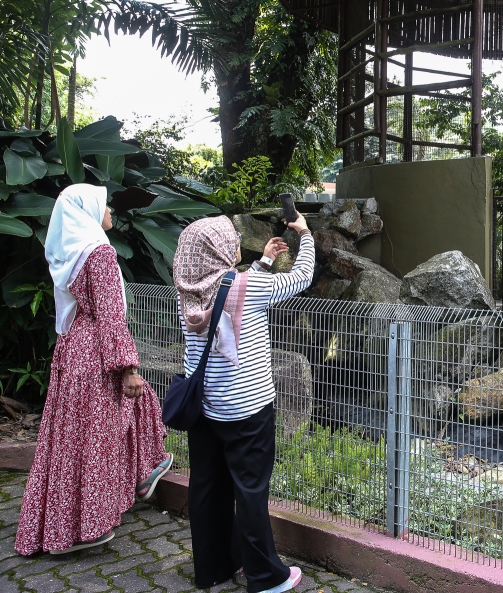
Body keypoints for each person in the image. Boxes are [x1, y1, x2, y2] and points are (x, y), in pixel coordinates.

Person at [16, 184, 172, 556]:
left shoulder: (68, 252)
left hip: (72, 348)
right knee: (106, 426)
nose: (109, 211)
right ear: (86, 210)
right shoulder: (99, 251)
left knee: (74, 438)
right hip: (95, 349)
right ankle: (94, 521)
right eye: (103, 205)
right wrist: (127, 366)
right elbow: (110, 315)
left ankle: (68, 523)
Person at [174, 213, 313, 593]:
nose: (236, 240)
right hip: (246, 410)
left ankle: (214, 568)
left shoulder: (187, 288)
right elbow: (301, 278)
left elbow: (226, 294)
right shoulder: (248, 287)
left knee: (207, 485)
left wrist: (263, 261)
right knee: (250, 490)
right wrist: (304, 233)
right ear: (217, 250)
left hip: (204, 408)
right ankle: (266, 577)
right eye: (231, 238)